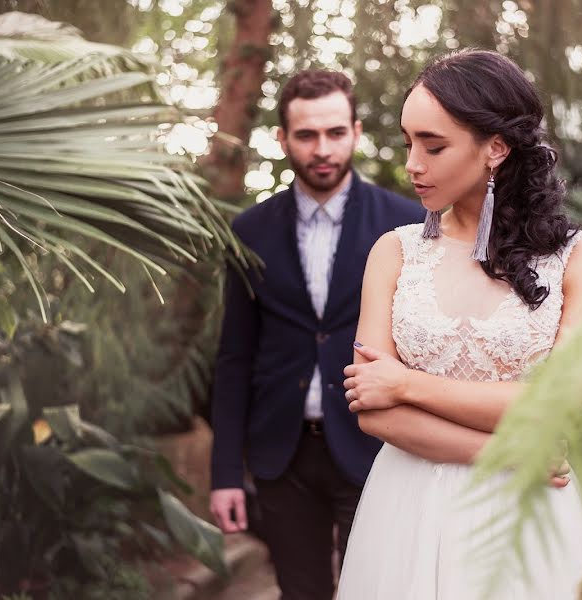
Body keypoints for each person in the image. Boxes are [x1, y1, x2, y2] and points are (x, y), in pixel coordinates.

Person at [336, 50, 582, 599]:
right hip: (405, 507)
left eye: (433, 145)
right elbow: (374, 413)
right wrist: (508, 452)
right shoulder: (393, 253)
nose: (413, 163)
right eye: (408, 141)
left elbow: (556, 408)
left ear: (496, 147)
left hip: (526, 519)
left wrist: (407, 384)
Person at [208, 69, 426, 600]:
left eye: (334, 132)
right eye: (306, 135)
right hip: (283, 455)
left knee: (373, 590)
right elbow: (234, 356)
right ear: (282, 139)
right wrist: (224, 474)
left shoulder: (408, 224)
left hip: (375, 446)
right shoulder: (249, 231)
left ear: (354, 131)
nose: (321, 148)